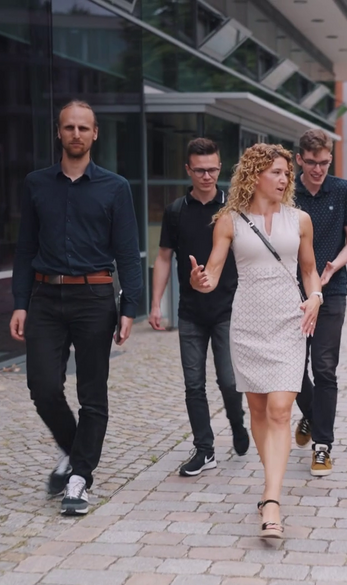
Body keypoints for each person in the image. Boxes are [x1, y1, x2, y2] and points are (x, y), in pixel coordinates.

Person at [10, 100, 143, 515]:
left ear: (95, 134)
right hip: (45, 298)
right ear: (59, 132)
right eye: (69, 127)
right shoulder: (36, 184)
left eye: (83, 128)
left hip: (94, 298)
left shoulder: (115, 187)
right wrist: (20, 303)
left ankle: (80, 478)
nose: (76, 134)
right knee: (43, 387)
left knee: (92, 393)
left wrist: (128, 309)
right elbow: (24, 248)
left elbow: (126, 251)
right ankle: (75, 450)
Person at [190, 143, 323, 539]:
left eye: (286, 173)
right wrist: (201, 282)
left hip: (288, 320)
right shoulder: (229, 220)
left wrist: (315, 297)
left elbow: (310, 270)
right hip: (247, 322)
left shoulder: (300, 220)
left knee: (281, 408)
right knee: (260, 411)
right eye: (276, 172)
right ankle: (272, 482)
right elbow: (212, 274)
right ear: (254, 175)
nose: (285, 179)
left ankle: (271, 500)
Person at [149, 137, 250, 476]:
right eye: (200, 170)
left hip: (227, 310)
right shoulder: (177, 211)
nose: (207, 176)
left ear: (220, 168)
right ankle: (204, 448)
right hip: (190, 312)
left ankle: (237, 423)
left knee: (227, 379)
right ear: (188, 170)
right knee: (193, 383)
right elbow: (163, 258)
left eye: (212, 169)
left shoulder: (234, 210)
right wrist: (156, 304)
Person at [292, 128, 347, 477]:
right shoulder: (287, 191)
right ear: (299, 159)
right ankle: (313, 414)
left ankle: (323, 445)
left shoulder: (344, 190)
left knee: (324, 368)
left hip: (332, 291)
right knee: (292, 368)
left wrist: (336, 264)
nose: (318, 169)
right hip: (291, 292)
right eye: (312, 163)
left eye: (324, 162)